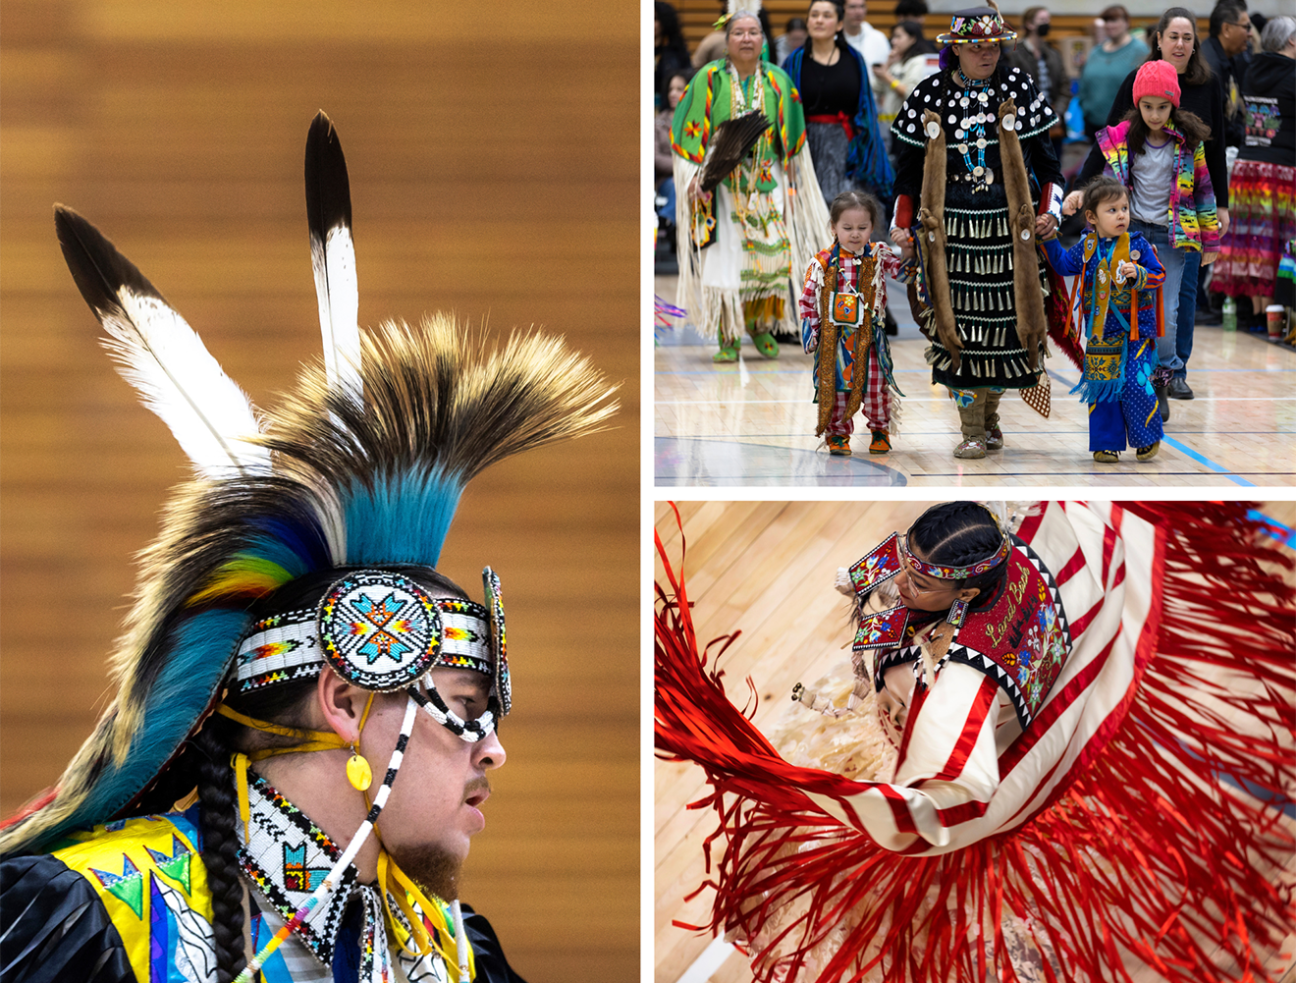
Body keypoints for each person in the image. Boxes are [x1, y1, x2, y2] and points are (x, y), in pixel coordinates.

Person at [0, 113, 617, 983]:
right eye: (467, 704)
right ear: (344, 701)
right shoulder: (91, 925)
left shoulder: (452, 955)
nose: (493, 747)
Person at [656, 499, 1296, 983]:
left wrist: (827, 793)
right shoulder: (984, 553)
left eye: (921, 582)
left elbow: (941, 806)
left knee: (917, 941)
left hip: (938, 780)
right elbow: (898, 568)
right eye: (904, 564)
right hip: (917, 719)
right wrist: (869, 582)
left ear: (967, 592)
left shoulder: (960, 688)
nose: (902, 583)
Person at [889, 5, 1065, 460]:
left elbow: (1048, 166)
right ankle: (971, 428)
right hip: (950, 235)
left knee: (1007, 331)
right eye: (976, 46)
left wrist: (1052, 214)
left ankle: (988, 420)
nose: (987, 53)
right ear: (955, 49)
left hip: (1010, 236)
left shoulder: (1018, 87)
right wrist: (902, 226)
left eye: (993, 45)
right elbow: (907, 175)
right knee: (959, 330)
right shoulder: (929, 94)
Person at [672, 8, 831, 363]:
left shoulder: (777, 81)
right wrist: (695, 176)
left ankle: (759, 326)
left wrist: (793, 180)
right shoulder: (708, 80)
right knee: (726, 255)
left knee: (767, 257)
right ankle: (728, 333)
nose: (746, 38)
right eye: (738, 33)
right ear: (725, 42)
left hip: (766, 181)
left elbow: (793, 141)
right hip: (721, 185)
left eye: (753, 32)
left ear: (762, 40)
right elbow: (688, 130)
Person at [1071, 60, 1220, 424]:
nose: (1155, 114)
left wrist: (1211, 241)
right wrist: (1082, 198)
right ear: (1138, 104)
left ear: (1174, 106)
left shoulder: (1188, 143)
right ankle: (1129, 383)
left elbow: (1203, 191)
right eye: (1148, 106)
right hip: (1131, 234)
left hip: (1172, 236)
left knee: (1167, 312)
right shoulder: (1120, 138)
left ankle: (1161, 380)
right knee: (1128, 312)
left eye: (1163, 106)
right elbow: (1106, 188)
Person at [1106, 8, 1229, 403]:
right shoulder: (1128, 136)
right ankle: (1134, 377)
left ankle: (1169, 373)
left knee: (1174, 309)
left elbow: (1212, 170)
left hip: (1180, 231)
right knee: (1130, 304)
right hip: (1137, 231)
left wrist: (1212, 231)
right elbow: (1107, 163)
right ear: (1159, 39)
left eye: (1188, 37)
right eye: (1173, 36)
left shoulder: (1190, 136)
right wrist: (1083, 197)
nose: (1180, 43)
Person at [1042, 177, 1166, 463]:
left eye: (1124, 208)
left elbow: (1159, 274)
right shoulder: (1086, 248)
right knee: (1103, 386)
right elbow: (1061, 265)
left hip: (1136, 332)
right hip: (1100, 335)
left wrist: (1141, 275)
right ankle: (1106, 443)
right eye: (1112, 210)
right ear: (1091, 217)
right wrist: (1048, 239)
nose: (1121, 215)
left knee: (1136, 384)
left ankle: (1146, 438)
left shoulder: (1138, 245)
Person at [800, 191, 909, 456]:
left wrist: (909, 251)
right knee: (838, 389)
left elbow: (904, 274)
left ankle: (880, 430)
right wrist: (813, 333)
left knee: (875, 387)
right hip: (837, 341)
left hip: (871, 339)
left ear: (873, 227)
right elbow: (807, 300)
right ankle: (837, 434)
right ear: (833, 227)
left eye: (863, 227)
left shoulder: (878, 254)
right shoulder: (823, 262)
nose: (855, 234)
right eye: (847, 228)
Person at [1211, 16, 1296, 327]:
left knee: (1254, 244)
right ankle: (1275, 317)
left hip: (1248, 167)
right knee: (1280, 243)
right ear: (1292, 41)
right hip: (1281, 169)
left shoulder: (1250, 69)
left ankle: (1258, 313)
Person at [781, 0, 894, 204]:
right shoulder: (794, 62)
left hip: (846, 148)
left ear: (839, 24)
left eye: (826, 15)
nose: (819, 20)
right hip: (804, 146)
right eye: (814, 15)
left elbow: (865, 110)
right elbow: (783, 112)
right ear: (807, 22)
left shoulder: (854, 59)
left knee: (846, 209)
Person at [1006, 6, 1070, 160]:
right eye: (1042, 20)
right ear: (1030, 24)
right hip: (1027, 123)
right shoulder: (1014, 54)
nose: (1046, 23)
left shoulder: (1053, 54)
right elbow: (1012, 90)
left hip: (1054, 122)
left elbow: (1065, 87)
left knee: (1054, 169)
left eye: (1048, 20)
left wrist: (1058, 112)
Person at [1077, 6, 1148, 140]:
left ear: (1126, 22)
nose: (1109, 25)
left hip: (1125, 128)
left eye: (1114, 20)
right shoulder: (1095, 51)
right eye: (1106, 21)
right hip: (1094, 125)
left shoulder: (1140, 51)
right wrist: (1086, 108)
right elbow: (1084, 83)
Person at [873, 20, 939, 143]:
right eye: (893, 37)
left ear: (912, 38)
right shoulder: (897, 62)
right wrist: (888, 64)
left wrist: (888, 78)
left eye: (898, 37)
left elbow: (911, 93)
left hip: (908, 129)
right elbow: (875, 87)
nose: (893, 41)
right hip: (889, 126)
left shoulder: (919, 62)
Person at [1202, 0, 1252, 150]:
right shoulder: (1210, 67)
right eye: (1246, 27)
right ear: (1226, 29)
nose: (1250, 34)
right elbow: (1218, 125)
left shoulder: (1229, 57)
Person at [655, 2, 693, 110]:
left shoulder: (676, 51)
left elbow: (687, 81)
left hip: (669, 109)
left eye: (655, 19)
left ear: (664, 22)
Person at [840, 0, 890, 73]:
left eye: (862, 6)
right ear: (841, 9)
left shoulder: (879, 38)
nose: (859, 12)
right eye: (852, 7)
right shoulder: (832, 39)